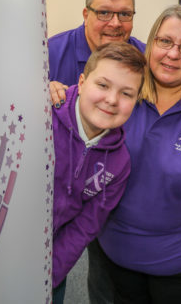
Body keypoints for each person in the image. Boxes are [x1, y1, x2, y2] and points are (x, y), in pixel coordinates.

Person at [48, 0, 181, 304]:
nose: (173, 54)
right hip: (106, 244)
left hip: (180, 261)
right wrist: (42, 92)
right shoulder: (62, 59)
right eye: (165, 42)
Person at [51, 42, 146, 304]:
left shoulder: (119, 163)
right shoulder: (41, 117)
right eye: (102, 85)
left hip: (49, 266)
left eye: (126, 93)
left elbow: (85, 226)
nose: (112, 100)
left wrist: (51, 274)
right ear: (81, 82)